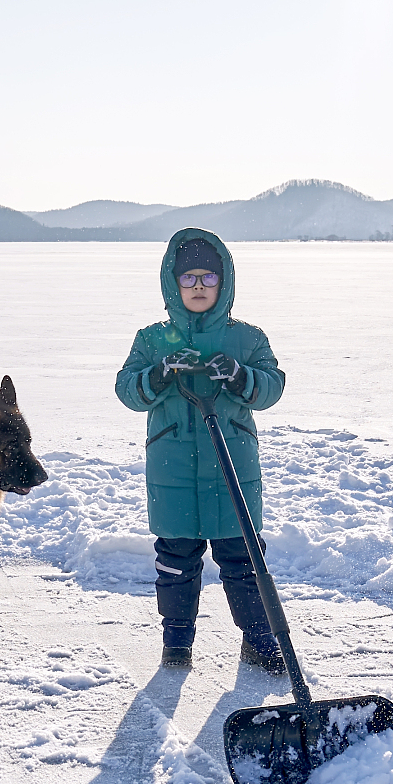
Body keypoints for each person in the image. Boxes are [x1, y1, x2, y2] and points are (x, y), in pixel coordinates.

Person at [115, 229, 289, 671]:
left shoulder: (247, 339)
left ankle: (259, 637)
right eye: (189, 277)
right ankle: (176, 641)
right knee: (176, 558)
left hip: (233, 465)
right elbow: (127, 390)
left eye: (208, 278)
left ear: (224, 282)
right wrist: (158, 374)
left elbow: (271, 388)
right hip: (172, 470)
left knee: (243, 555)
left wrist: (238, 375)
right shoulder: (153, 339)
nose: (198, 286)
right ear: (173, 283)